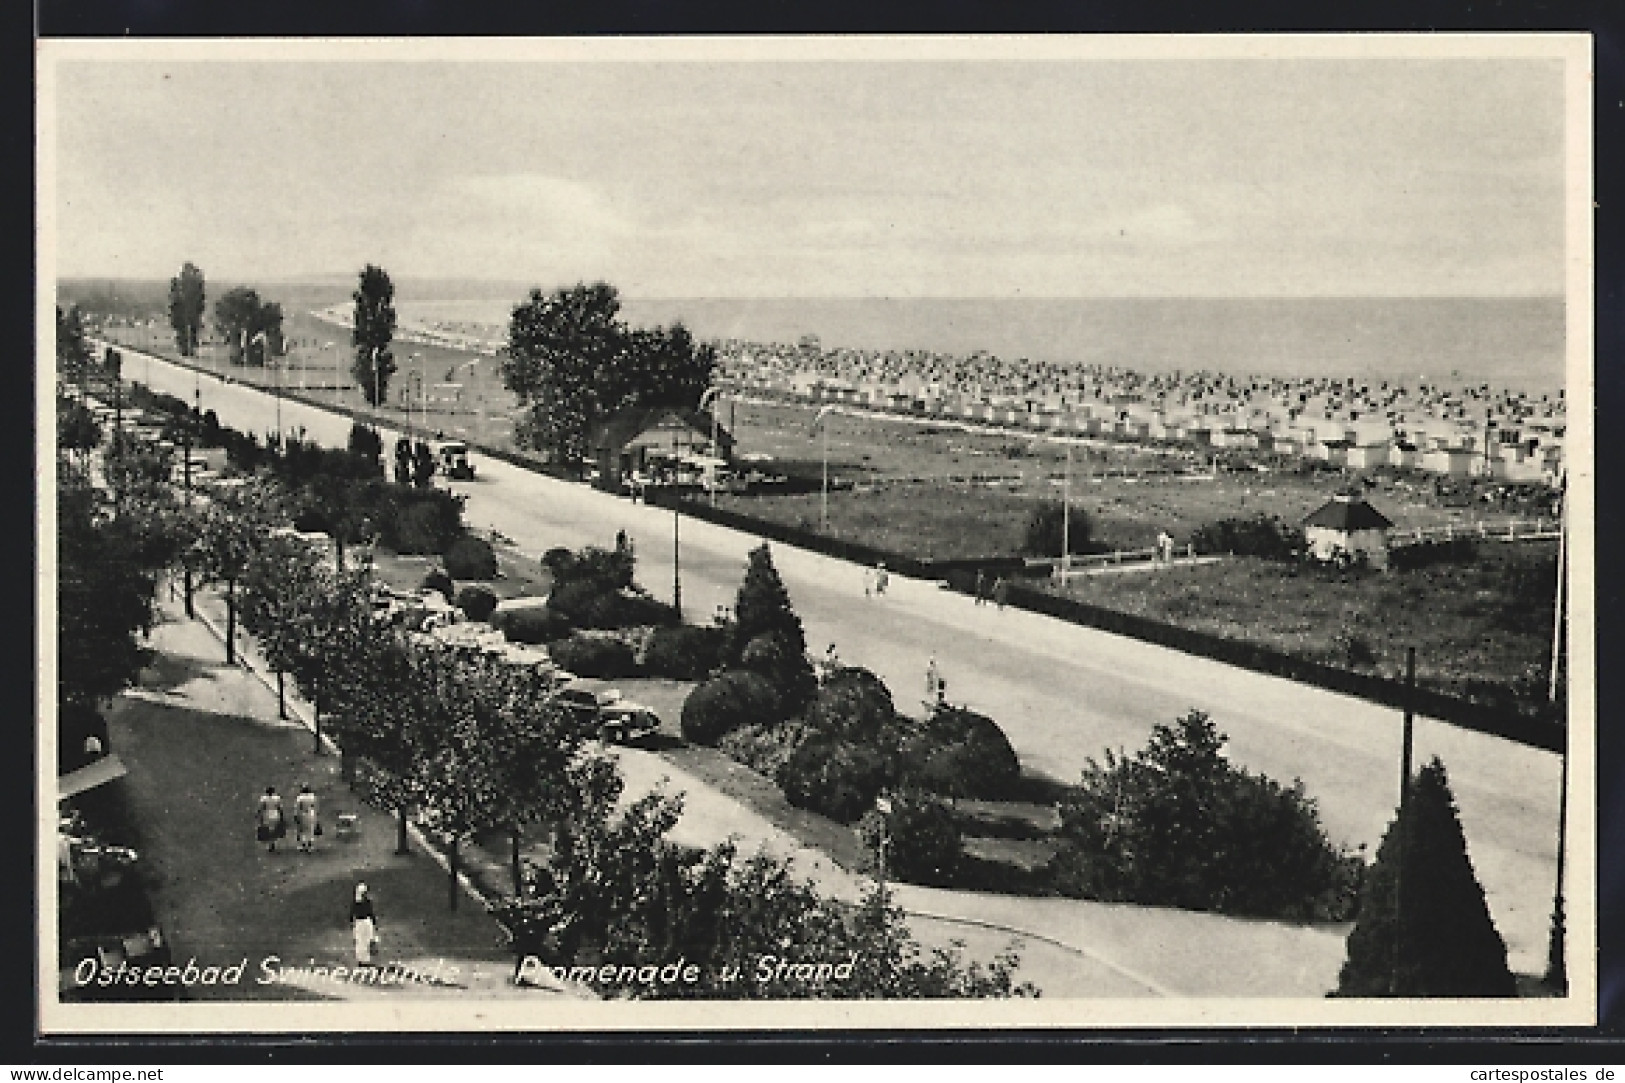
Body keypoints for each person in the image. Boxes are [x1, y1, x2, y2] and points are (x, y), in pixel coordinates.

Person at [351, 883, 378, 966]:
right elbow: (371, 913)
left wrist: (353, 925)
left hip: (360, 923)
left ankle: (362, 961)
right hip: (365, 923)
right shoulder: (367, 902)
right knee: (365, 941)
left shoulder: (355, 903)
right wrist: (374, 924)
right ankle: (365, 961)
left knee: (361, 941)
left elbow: (351, 916)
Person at [256, 786, 286, 853]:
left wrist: (258, 815)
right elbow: (280, 808)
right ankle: (273, 843)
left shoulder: (264, 798)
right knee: (274, 829)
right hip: (275, 814)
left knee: (268, 829)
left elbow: (261, 808)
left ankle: (270, 844)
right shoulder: (277, 798)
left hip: (267, 815)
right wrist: (282, 816)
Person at [293, 784, 320, 854]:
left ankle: (304, 845)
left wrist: (296, 815)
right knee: (311, 830)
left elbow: (297, 808)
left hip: (303, 814)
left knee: (303, 830)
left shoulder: (300, 798)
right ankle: (310, 846)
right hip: (312, 813)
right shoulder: (313, 797)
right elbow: (316, 806)